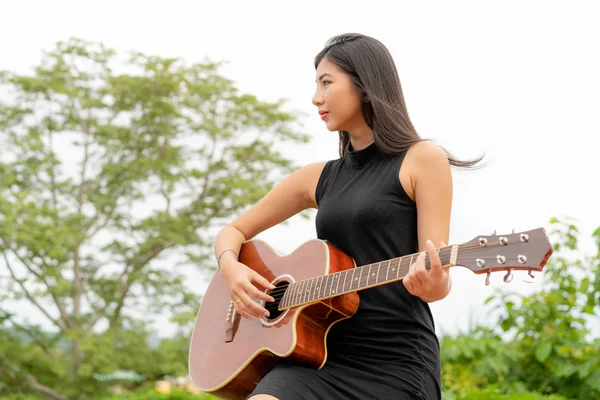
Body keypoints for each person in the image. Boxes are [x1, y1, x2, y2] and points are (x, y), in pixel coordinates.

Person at [213, 33, 483, 400]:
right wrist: (231, 269)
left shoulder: (423, 159)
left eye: (327, 83)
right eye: (316, 85)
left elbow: (439, 281)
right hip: (319, 359)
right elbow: (234, 231)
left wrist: (433, 284)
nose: (316, 98)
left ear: (366, 87)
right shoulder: (316, 178)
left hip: (396, 360)